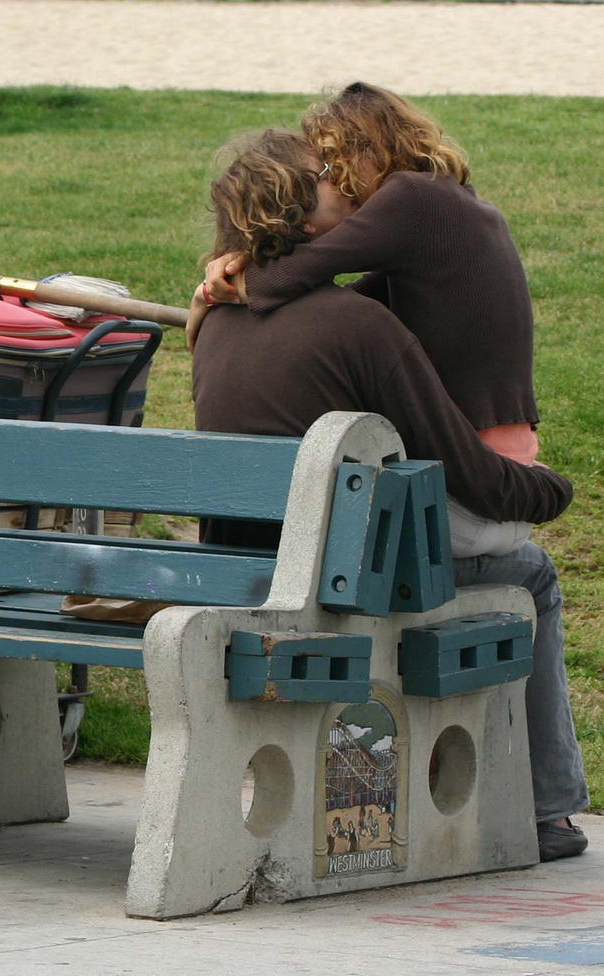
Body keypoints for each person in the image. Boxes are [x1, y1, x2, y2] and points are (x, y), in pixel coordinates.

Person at [192, 130, 589, 861]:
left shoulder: (212, 321)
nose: (346, 186)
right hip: (336, 591)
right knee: (529, 577)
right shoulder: (361, 328)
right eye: (326, 179)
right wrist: (552, 490)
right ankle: (546, 812)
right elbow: (467, 470)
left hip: (246, 574)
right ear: (304, 212)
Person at [194, 83, 538, 559]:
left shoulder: (412, 198)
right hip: (489, 460)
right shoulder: (445, 205)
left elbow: (299, 274)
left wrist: (219, 291)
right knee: (533, 569)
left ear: (366, 149)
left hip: (476, 465)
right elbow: (330, 307)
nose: (340, 182)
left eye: (335, 163)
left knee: (525, 563)